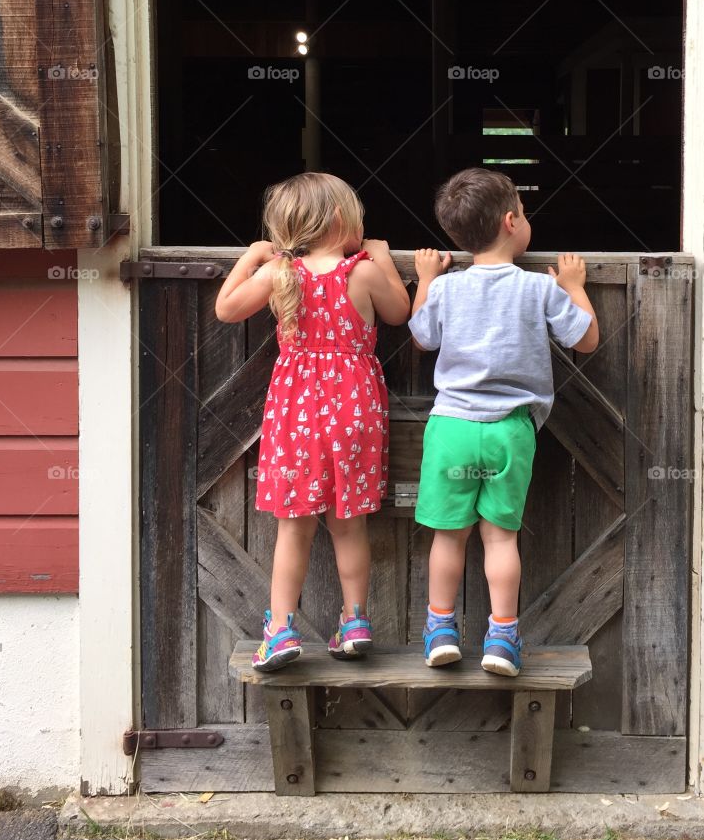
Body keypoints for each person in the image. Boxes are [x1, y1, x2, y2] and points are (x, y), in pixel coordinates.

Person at [215, 172, 410, 670]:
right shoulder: (361, 271)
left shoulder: (282, 274)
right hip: (355, 409)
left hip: (296, 409)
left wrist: (254, 256)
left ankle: (280, 629)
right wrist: (383, 257)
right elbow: (399, 310)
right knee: (350, 525)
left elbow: (226, 308)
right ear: (343, 220)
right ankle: (356, 620)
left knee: (294, 526)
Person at [409, 167, 598, 677]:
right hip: (510, 430)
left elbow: (423, 337)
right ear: (512, 221)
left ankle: (441, 629)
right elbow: (585, 339)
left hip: (451, 428)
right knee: (500, 537)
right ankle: (502, 637)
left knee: (449, 536)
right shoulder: (538, 289)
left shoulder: (446, 290)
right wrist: (576, 286)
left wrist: (426, 279)